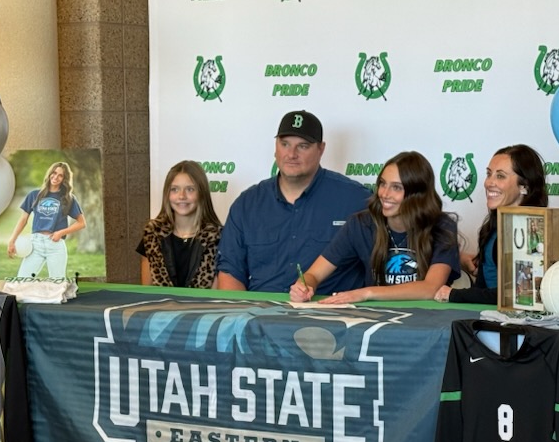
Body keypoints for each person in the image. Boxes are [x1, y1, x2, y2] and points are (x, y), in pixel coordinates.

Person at [217, 110, 370, 294]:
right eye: (285, 144)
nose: (291, 154)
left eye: (303, 146)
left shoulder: (356, 200)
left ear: (321, 149)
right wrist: (241, 318)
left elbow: (380, 266)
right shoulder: (247, 204)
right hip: (260, 315)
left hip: (331, 315)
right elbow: (230, 272)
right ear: (276, 146)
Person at [289, 151, 460, 304]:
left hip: (427, 322)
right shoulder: (361, 224)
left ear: (418, 195)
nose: (384, 194)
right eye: (383, 184)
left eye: (396, 188)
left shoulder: (442, 225)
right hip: (376, 321)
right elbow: (314, 274)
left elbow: (431, 288)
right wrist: (303, 286)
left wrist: (366, 293)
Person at [434, 144, 547, 305]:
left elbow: (522, 295)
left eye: (500, 176)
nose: (489, 183)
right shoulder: (492, 226)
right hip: (489, 319)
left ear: (524, 186)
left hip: (521, 325)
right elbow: (483, 287)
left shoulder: (536, 228)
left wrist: (455, 294)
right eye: (489, 174)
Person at [136, 160, 222, 288]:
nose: (181, 196)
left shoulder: (218, 238)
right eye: (175, 189)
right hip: (162, 307)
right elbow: (147, 291)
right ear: (167, 194)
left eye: (190, 189)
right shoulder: (152, 235)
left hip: (201, 307)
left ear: (201, 193)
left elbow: (216, 298)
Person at [7, 161, 87, 279]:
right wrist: (12, 240)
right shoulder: (35, 195)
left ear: (64, 179)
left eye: (60, 175)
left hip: (56, 246)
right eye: (54, 173)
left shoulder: (68, 198)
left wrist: (61, 232)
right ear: (50, 174)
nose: (56, 177)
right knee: (21, 281)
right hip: (36, 244)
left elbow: (82, 223)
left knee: (57, 286)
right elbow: (23, 219)